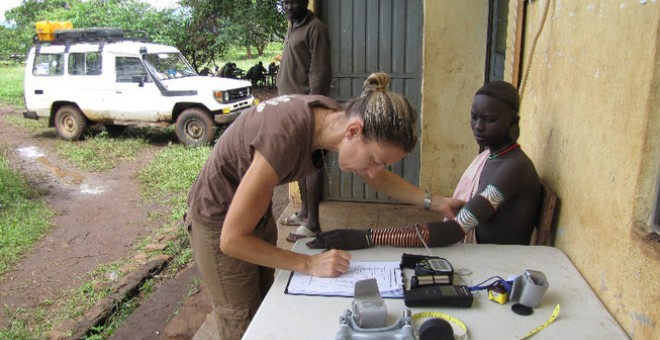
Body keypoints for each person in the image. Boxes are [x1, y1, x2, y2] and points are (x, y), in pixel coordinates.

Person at [185, 72, 463, 339]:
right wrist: (308, 263)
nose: (376, 170)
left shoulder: (334, 118)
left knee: (263, 304)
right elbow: (232, 240)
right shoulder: (284, 137)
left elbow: (376, 177)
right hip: (218, 220)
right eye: (377, 160)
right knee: (242, 319)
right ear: (354, 131)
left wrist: (435, 202)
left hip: (253, 214)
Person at [307, 80, 542, 250]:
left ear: (513, 122)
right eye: (474, 117)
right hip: (481, 257)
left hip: (502, 267)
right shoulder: (491, 158)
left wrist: (368, 237)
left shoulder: (513, 169)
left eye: (490, 119)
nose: (478, 126)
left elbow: (454, 231)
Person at [276, 0, 333, 242]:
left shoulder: (315, 27)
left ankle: (313, 223)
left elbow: (319, 72)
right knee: (299, 161)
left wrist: (312, 107)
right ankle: (304, 212)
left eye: (293, 1)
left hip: (306, 107)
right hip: (289, 106)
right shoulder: (292, 25)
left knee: (311, 163)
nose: (288, 6)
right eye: (284, 2)